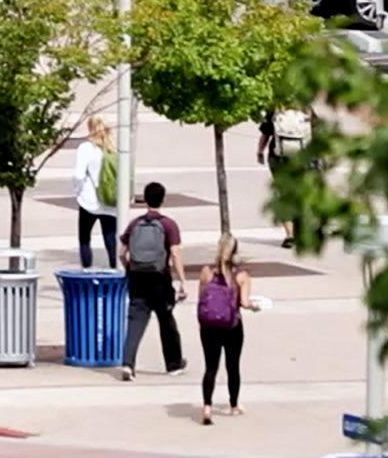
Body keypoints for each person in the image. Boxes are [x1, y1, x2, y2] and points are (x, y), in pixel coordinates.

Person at [117, 181, 186, 381]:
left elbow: (122, 252)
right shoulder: (168, 225)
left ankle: (128, 364)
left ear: (145, 200)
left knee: (135, 322)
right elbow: (175, 254)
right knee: (166, 319)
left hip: (137, 278)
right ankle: (173, 363)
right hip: (159, 279)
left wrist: (129, 267)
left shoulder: (135, 224)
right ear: (163, 200)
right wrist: (182, 280)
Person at [193, 234, 260, 425]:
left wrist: (200, 322)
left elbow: (201, 300)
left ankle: (207, 406)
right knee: (233, 366)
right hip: (231, 325)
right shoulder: (241, 276)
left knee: (210, 367)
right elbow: (245, 303)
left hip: (209, 326)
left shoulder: (206, 272)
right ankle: (233, 405)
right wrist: (254, 306)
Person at [258, 108, 314, 248]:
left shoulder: (276, 109)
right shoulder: (306, 108)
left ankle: (290, 235)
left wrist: (259, 151)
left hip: (279, 158)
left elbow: (265, 133)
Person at [72, 114, 120, 269]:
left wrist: (78, 191)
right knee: (110, 238)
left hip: (89, 201)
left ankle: (86, 271)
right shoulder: (114, 149)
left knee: (84, 238)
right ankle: (115, 270)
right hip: (110, 201)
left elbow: (79, 175)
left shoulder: (86, 148)